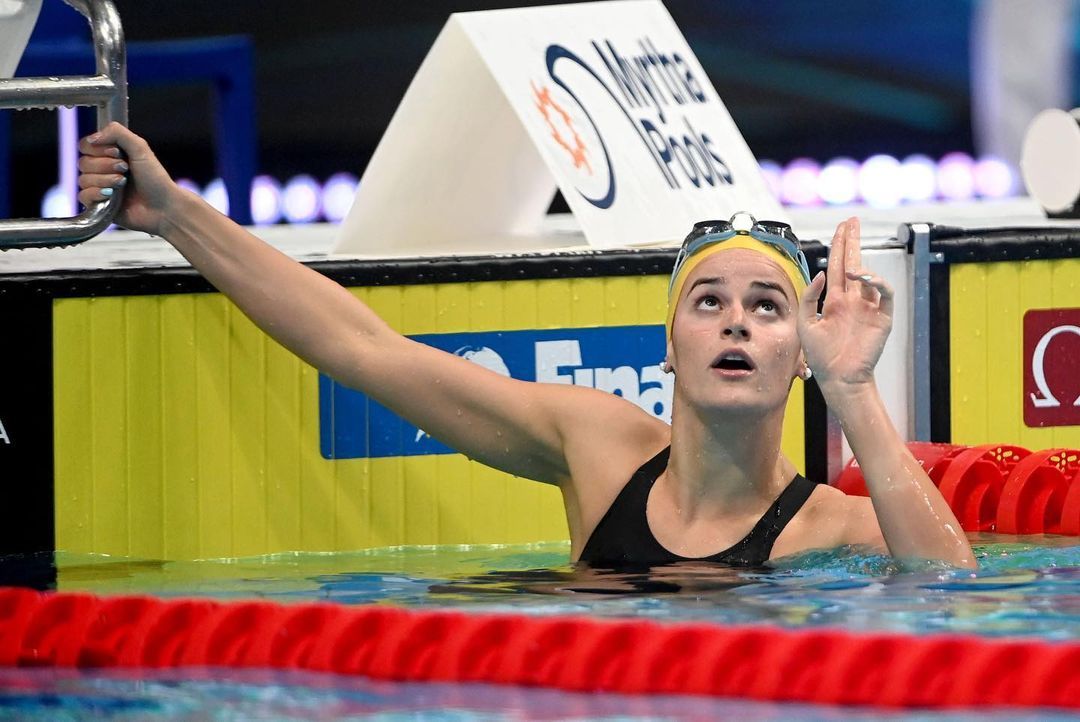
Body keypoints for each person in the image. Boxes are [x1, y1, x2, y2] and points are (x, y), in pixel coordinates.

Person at [77, 123, 976, 570]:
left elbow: (951, 589)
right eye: (708, 301)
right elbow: (365, 349)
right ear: (669, 345)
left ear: (799, 353)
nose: (737, 321)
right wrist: (176, 215)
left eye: (769, 308)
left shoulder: (827, 529)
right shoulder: (598, 449)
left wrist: (853, 389)